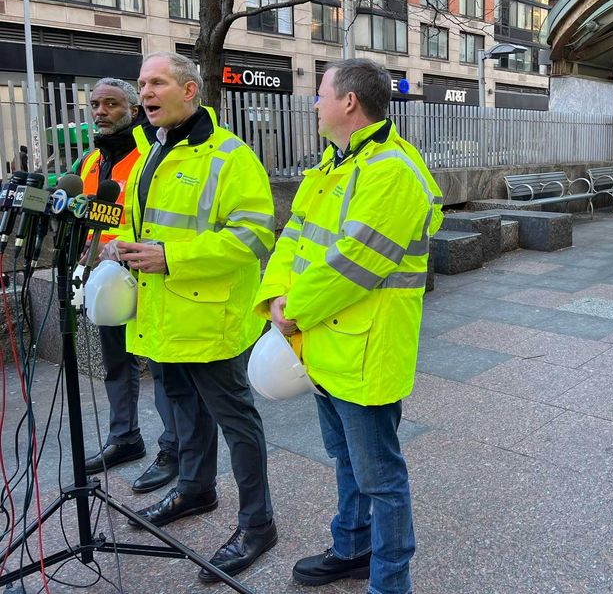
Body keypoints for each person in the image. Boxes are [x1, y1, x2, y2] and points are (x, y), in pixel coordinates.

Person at [254, 59, 443, 593]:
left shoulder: (391, 170)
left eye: (320, 94)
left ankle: (389, 582)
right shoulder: (331, 166)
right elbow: (290, 236)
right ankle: (352, 546)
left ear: (349, 102)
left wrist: (291, 310)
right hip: (325, 343)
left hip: (365, 350)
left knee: (380, 477)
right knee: (346, 461)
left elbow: (354, 261)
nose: (314, 103)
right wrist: (273, 295)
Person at [114, 52, 277, 582]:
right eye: (142, 84)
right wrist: (124, 245)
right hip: (161, 316)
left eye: (157, 82)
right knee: (183, 412)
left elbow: (255, 235)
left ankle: (258, 525)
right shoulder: (150, 151)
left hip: (211, 319)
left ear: (190, 91)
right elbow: (150, 225)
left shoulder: (230, 156)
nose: (146, 92)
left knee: (236, 420)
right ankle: (195, 488)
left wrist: (172, 256)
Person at [79, 78, 179, 495]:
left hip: (146, 276)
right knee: (115, 363)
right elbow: (92, 220)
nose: (100, 111)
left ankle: (173, 450)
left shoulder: (149, 155)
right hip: (106, 279)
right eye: (96, 104)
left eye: (112, 104)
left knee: (160, 367)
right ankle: (125, 438)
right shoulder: (89, 162)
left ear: (134, 110)